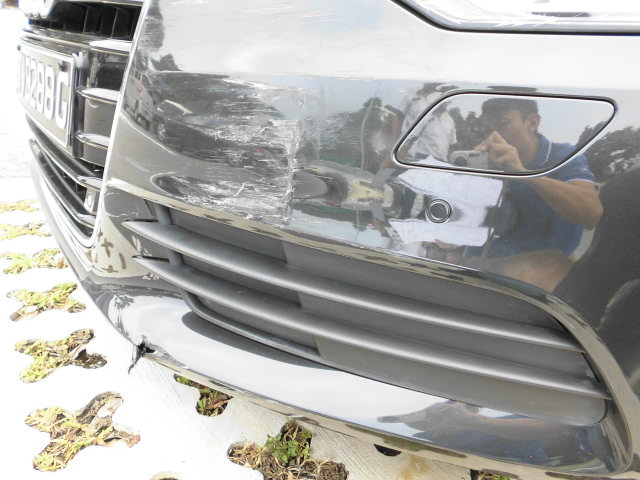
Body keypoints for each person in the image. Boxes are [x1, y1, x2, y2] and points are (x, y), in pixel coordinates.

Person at [471, 98, 603, 290]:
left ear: (532, 122)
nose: (493, 137)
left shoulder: (563, 156)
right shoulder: (488, 162)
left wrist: (524, 174)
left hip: (542, 279)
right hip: (487, 271)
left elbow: (591, 214)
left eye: (503, 124)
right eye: (487, 131)